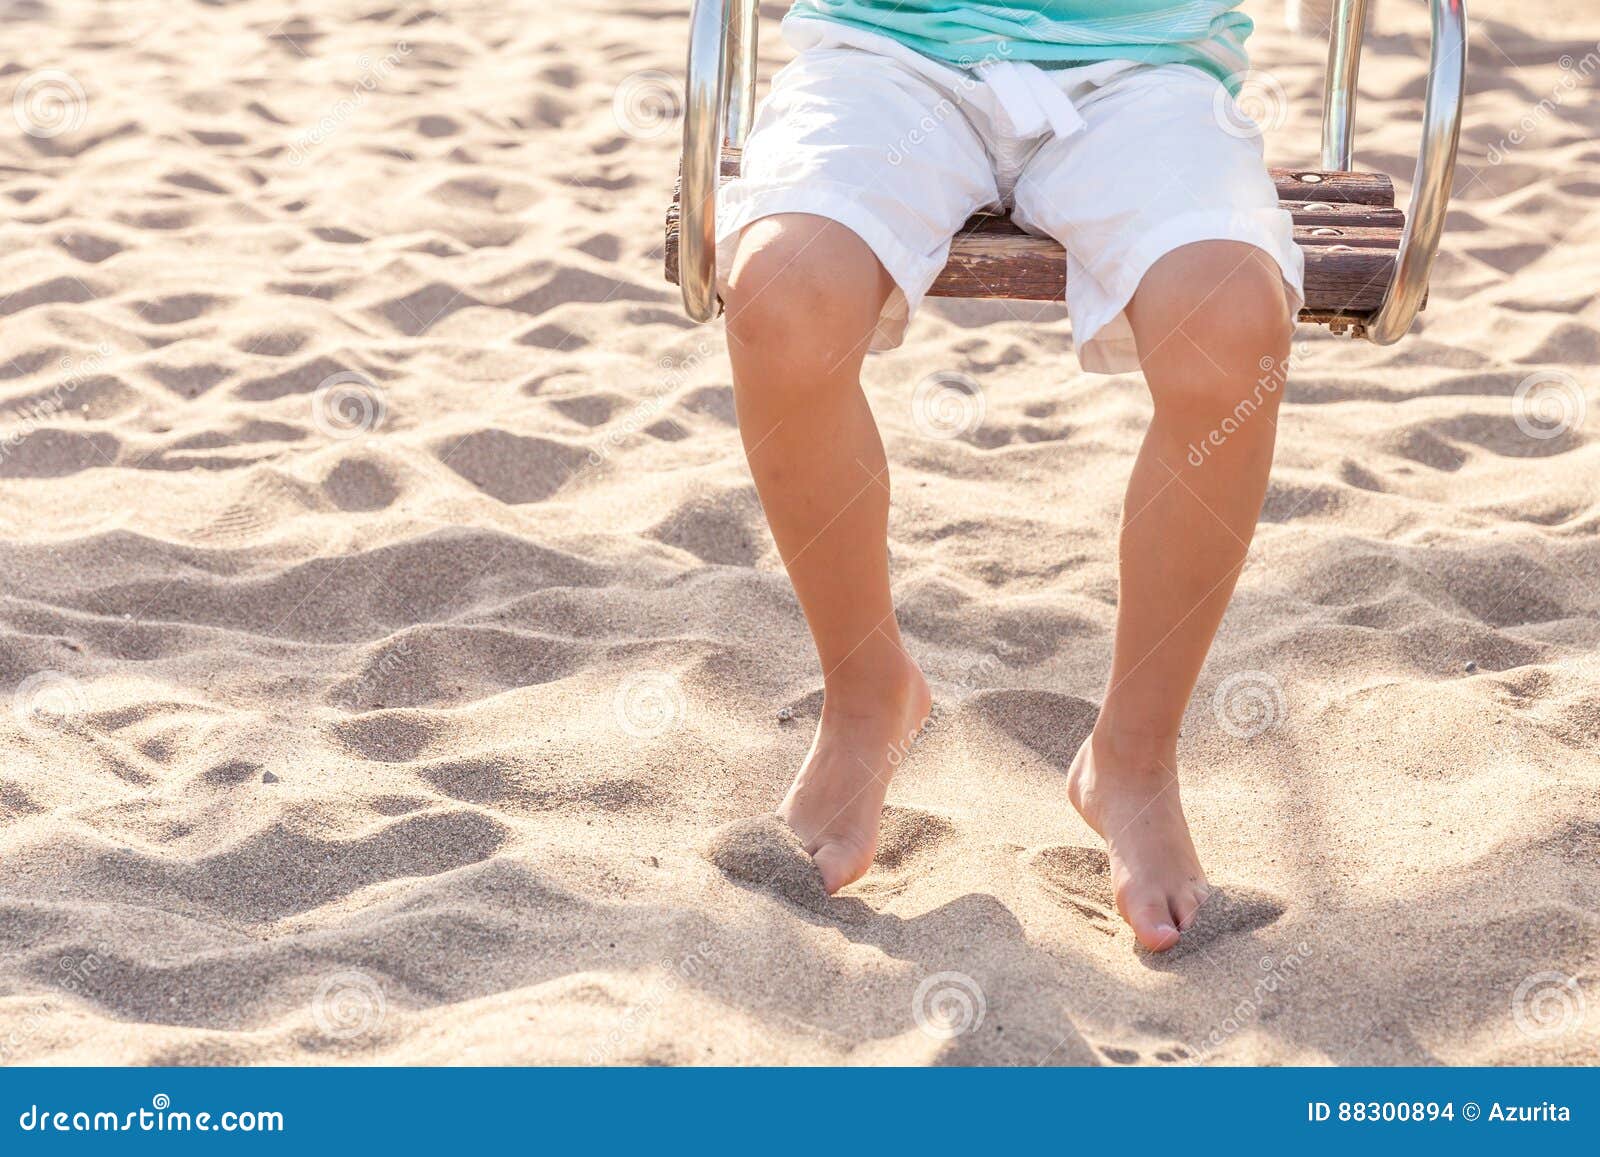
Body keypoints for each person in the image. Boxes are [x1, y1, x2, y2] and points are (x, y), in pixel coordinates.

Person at [716, 0, 1303, 952]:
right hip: (890, 55)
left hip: (1143, 70)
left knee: (1231, 325)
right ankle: (867, 697)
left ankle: (1135, 756)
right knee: (784, 295)